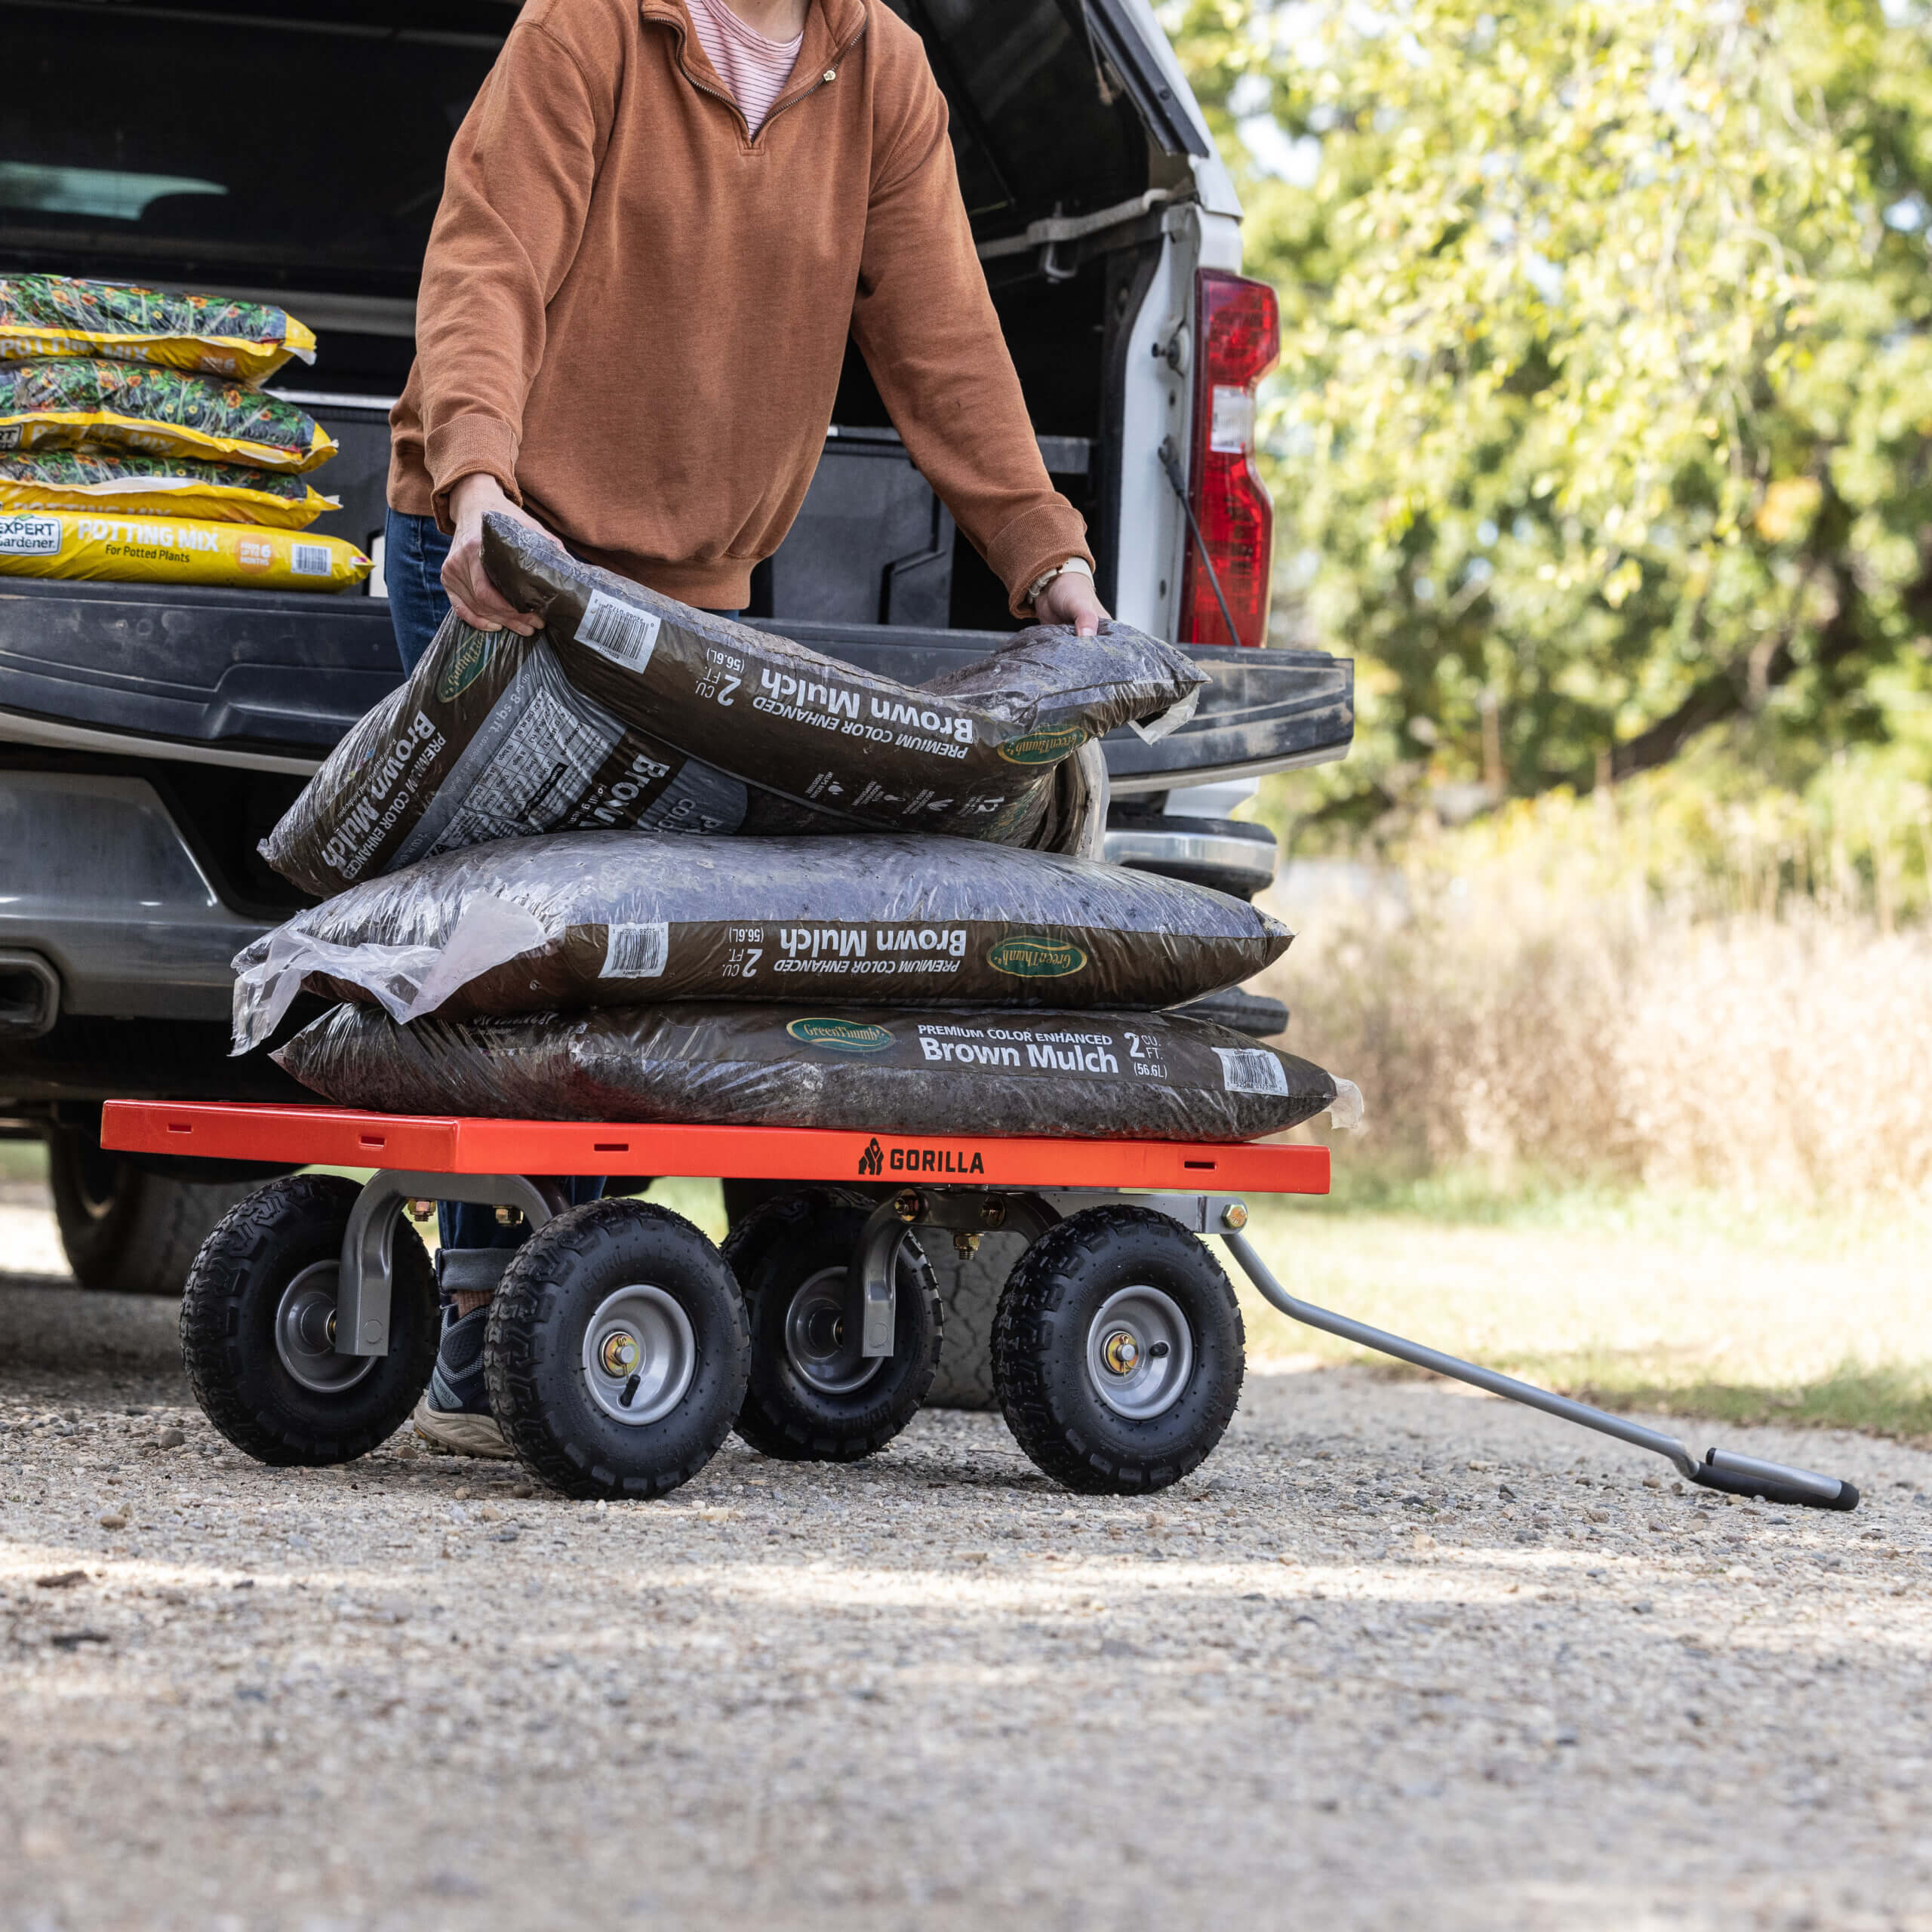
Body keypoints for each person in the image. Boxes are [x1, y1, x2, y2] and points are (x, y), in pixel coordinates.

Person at [385, 0, 1108, 1455]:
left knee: (646, 949)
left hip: (692, 595)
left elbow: (941, 327)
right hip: (503, 559)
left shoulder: (879, 64)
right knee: (523, 939)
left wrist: (1047, 555)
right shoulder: (587, 29)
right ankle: (487, 1316)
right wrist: (473, 477)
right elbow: (489, 258)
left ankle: (646, 1303)